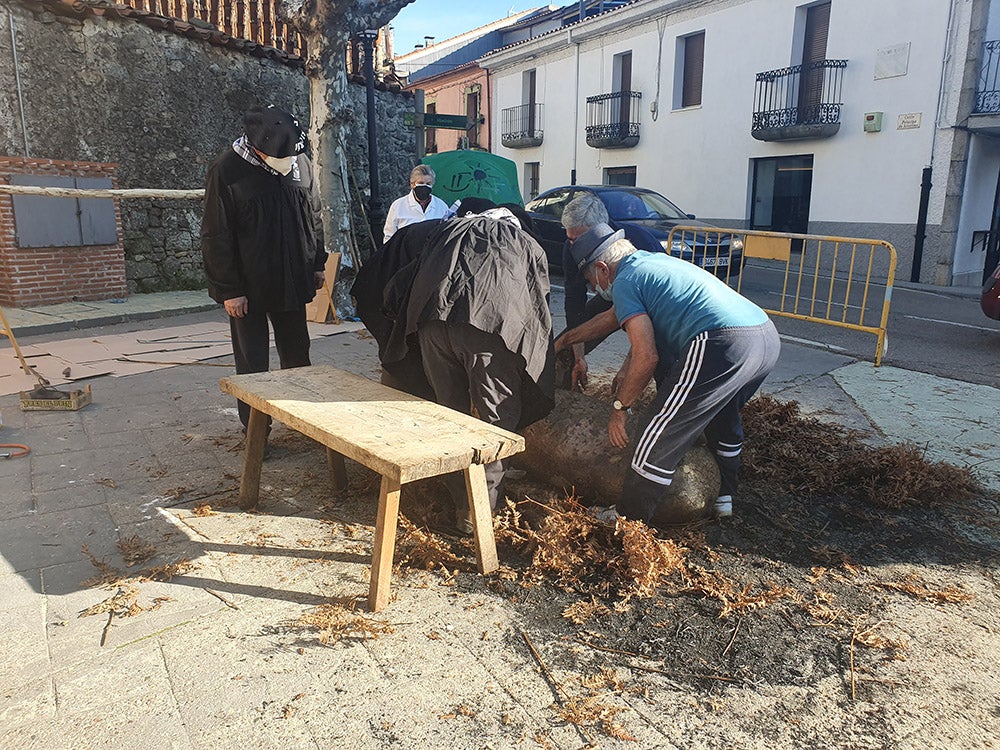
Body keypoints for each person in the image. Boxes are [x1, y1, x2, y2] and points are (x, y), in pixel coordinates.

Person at [563, 225, 781, 522]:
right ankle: (724, 496)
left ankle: (628, 519)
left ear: (602, 268)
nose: (593, 288)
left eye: (590, 280)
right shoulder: (650, 263)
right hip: (763, 336)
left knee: (657, 431)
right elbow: (611, 318)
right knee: (722, 413)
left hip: (721, 342)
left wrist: (620, 408)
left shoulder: (626, 281)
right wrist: (566, 340)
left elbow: (646, 357)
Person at [403, 206, 555, 532]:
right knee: (495, 425)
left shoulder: (451, 230)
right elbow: (537, 301)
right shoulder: (524, 241)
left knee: (450, 416)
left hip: (432, 325)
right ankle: (479, 516)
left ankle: (457, 499)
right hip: (486, 330)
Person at [201, 105, 327, 435]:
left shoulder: (298, 162)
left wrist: (317, 263)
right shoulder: (226, 170)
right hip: (248, 288)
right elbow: (217, 233)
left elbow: (313, 215)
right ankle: (257, 431)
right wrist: (229, 289)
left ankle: (305, 421)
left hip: (291, 279)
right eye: (278, 157)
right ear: (257, 147)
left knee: (298, 354)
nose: (286, 163)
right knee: (253, 363)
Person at [557, 192, 661, 392]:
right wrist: (578, 355)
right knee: (564, 352)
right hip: (609, 297)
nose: (574, 246)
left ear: (602, 230)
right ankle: (564, 398)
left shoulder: (643, 242)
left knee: (654, 358)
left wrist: (628, 369)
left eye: (578, 239)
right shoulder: (571, 249)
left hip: (646, 300)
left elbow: (653, 320)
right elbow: (574, 303)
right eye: (569, 239)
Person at [382, 164, 449, 245]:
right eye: (421, 183)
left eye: (428, 183)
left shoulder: (442, 206)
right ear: (412, 184)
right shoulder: (398, 206)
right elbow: (389, 237)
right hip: (406, 254)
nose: (424, 186)